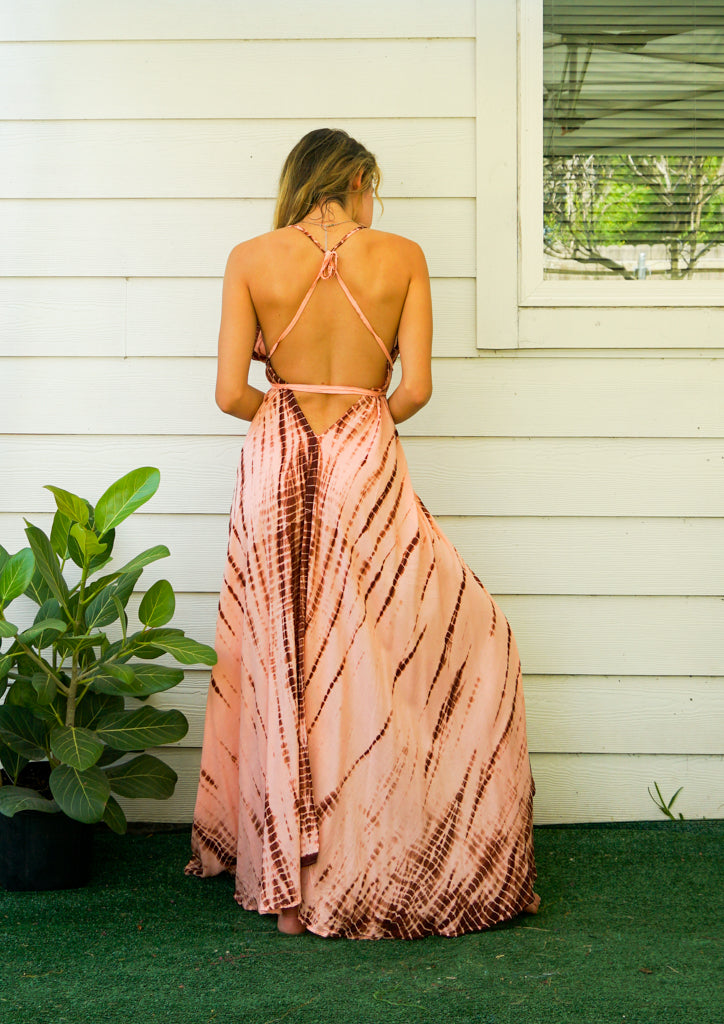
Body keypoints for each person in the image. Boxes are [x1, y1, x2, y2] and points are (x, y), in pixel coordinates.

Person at [184, 128, 539, 939]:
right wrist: (357, 422)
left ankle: (286, 880)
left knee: (287, 650)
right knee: (373, 649)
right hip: (363, 457)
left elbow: (227, 393)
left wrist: (290, 416)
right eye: (372, 186)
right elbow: (413, 388)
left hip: (277, 460)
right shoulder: (403, 254)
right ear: (355, 179)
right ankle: (367, 855)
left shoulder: (251, 256)